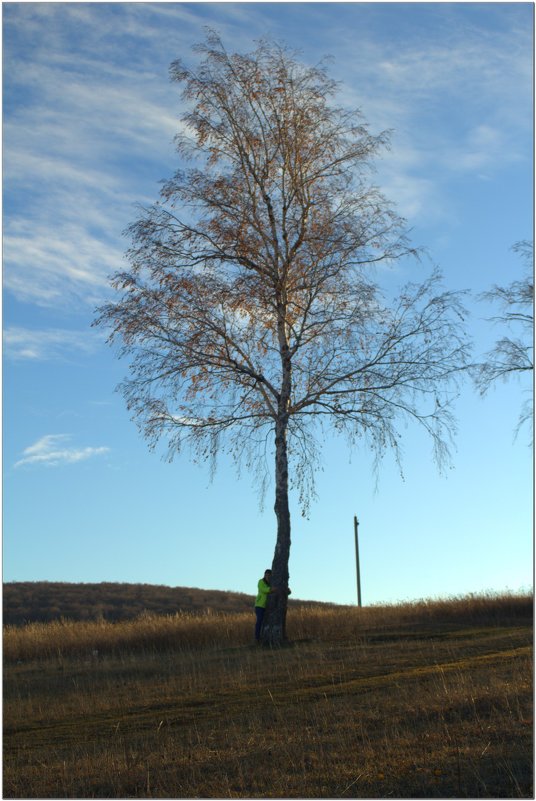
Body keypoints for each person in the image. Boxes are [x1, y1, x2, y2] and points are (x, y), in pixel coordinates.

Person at [254, 569, 291, 642]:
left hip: (268, 607)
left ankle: (265, 637)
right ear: (264, 575)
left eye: (269, 575)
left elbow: (279, 591)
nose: (267, 576)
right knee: (260, 621)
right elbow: (263, 589)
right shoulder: (261, 582)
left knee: (267, 622)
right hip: (260, 606)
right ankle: (257, 637)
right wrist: (271, 589)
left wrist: (287, 591)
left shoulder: (272, 583)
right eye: (266, 575)